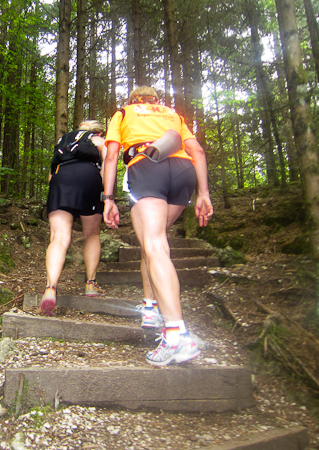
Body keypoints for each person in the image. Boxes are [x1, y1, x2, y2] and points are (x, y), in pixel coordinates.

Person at [102, 86, 213, 366]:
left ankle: (177, 335)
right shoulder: (173, 114)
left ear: (133, 100)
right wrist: (204, 193)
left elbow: (111, 156)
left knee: (154, 246)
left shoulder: (124, 113)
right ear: (156, 100)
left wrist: (108, 198)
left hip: (147, 166)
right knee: (152, 243)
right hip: (184, 172)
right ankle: (151, 307)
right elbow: (197, 150)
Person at [40, 120, 108, 316]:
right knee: (92, 234)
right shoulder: (97, 140)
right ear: (97, 131)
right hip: (89, 178)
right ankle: (90, 284)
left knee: (58, 237)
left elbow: (50, 176)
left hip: (61, 179)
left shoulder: (64, 141)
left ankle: (50, 288)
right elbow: (108, 161)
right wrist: (105, 191)